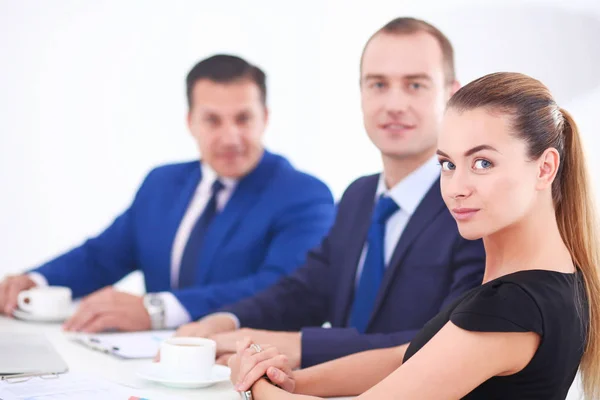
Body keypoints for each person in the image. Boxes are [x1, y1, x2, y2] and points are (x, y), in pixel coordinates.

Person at [228, 71, 600, 400]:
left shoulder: (512, 306)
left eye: (482, 163)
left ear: (545, 167)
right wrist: (291, 381)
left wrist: (257, 386)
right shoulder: (554, 281)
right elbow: (407, 358)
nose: (456, 187)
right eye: (448, 164)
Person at [174, 18, 486, 369]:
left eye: (415, 85)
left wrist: (300, 345)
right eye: (378, 84)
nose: (394, 103)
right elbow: (306, 291)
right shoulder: (360, 195)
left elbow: (444, 340)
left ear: (452, 94)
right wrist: (227, 320)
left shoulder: (473, 206)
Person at [0, 54, 335, 333]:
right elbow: (102, 256)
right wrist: (35, 280)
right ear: (191, 122)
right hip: (149, 362)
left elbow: (283, 289)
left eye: (244, 119)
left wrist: (158, 310)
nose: (231, 137)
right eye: (213, 120)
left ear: (266, 118)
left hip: (240, 365)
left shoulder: (304, 195)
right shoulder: (162, 183)